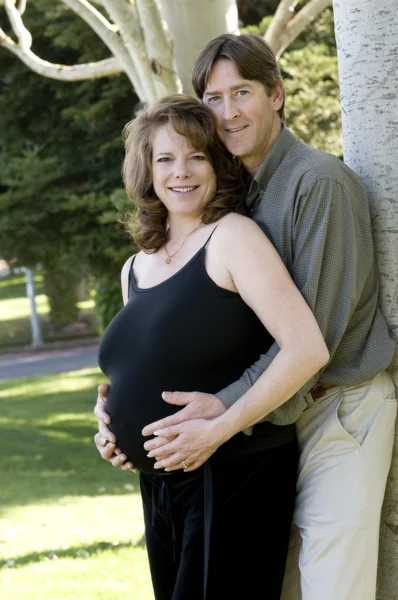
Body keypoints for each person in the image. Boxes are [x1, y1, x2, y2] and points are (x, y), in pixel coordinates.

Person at [95, 34, 397, 600]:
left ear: (277, 94)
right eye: (213, 97)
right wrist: (116, 408)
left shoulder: (317, 183)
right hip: (273, 419)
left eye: (243, 92)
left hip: (336, 407)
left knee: (334, 583)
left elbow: (316, 341)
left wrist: (225, 410)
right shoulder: (240, 196)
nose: (228, 112)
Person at [96, 93, 329, 600]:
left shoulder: (233, 237)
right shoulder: (136, 265)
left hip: (232, 475)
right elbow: (143, 366)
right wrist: (109, 420)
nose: (181, 172)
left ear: (217, 163)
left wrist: (219, 428)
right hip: (159, 483)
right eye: (165, 158)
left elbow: (307, 348)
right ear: (146, 170)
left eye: (196, 155)